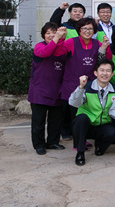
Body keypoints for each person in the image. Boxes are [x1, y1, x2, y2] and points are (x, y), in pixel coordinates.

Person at [55, 16, 112, 141]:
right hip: (71, 81)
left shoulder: (97, 43)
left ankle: (81, 136)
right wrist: (60, 39)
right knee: (69, 110)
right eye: (84, 28)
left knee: (84, 111)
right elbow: (59, 53)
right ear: (79, 30)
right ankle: (66, 132)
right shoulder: (71, 42)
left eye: (90, 29)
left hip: (90, 83)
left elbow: (105, 60)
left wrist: (105, 47)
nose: (87, 31)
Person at [68, 59, 115, 165]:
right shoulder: (87, 87)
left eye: (108, 71)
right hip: (85, 125)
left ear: (112, 74)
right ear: (96, 73)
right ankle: (80, 152)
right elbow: (73, 103)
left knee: (113, 133)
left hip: (103, 124)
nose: (105, 73)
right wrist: (80, 87)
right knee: (81, 119)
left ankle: (100, 146)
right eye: (102, 70)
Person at [28, 23, 67, 155]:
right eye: (48, 33)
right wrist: (57, 38)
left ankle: (53, 142)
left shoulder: (61, 47)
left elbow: (59, 53)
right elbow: (46, 52)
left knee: (55, 120)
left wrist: (61, 40)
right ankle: (39, 145)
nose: (51, 35)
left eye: (54, 32)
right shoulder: (40, 46)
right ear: (43, 35)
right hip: (39, 91)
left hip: (56, 90)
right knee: (38, 121)